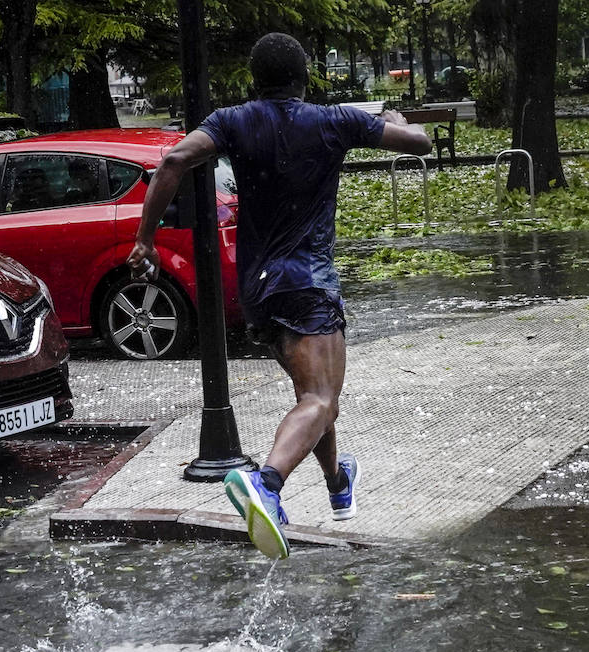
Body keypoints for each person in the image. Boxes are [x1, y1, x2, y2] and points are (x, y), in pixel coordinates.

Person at [126, 32, 433, 560]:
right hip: (308, 282)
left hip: (258, 289)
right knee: (320, 399)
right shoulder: (335, 120)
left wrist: (145, 239)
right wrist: (401, 121)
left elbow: (175, 160)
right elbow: (421, 143)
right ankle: (266, 483)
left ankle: (338, 481)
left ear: (255, 79)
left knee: (312, 398)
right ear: (305, 76)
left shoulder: (232, 120)